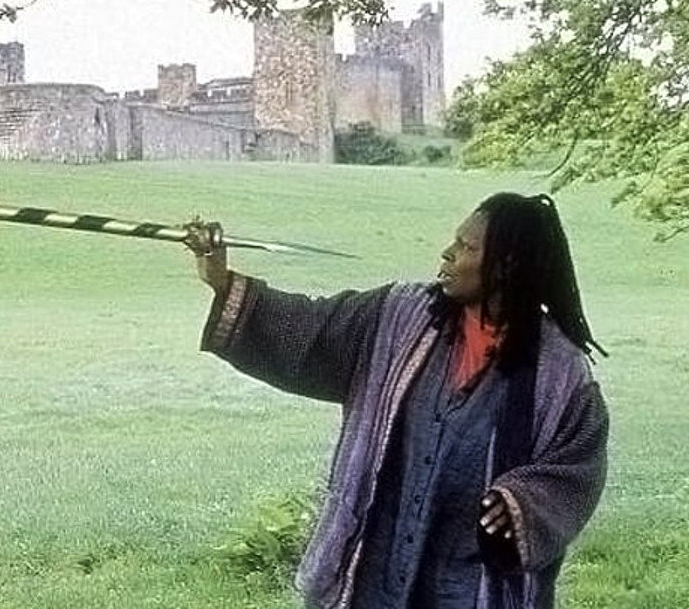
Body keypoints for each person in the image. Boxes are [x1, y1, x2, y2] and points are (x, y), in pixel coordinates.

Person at [183, 193, 608, 609]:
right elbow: (314, 329)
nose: (447, 253)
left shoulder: (559, 370)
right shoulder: (399, 317)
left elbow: (577, 466)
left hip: (474, 587)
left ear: (506, 265)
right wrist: (221, 281)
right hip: (372, 569)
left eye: (466, 247)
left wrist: (522, 501)